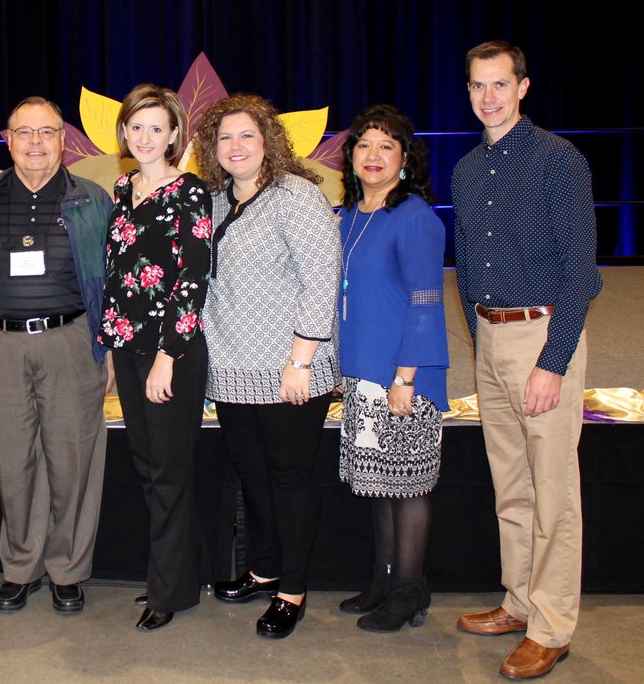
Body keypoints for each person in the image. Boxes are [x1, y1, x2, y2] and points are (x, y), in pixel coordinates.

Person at [452, 41, 602, 679]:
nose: (489, 96)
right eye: (478, 86)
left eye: (499, 84)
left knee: (553, 490)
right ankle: (518, 601)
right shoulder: (466, 169)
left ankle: (552, 624)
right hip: (490, 338)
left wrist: (554, 361)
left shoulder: (558, 160)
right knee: (510, 484)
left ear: (523, 87)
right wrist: (478, 336)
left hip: (542, 338)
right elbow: (465, 260)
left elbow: (582, 273)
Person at [193, 93, 341, 640]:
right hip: (231, 367)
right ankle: (264, 568)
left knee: (289, 477)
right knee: (252, 474)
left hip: (288, 367)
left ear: (268, 142)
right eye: (224, 137)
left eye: (246, 135)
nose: (235, 146)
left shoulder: (296, 196)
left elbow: (320, 280)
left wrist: (301, 359)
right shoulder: (212, 202)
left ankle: (292, 589)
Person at [0, 96, 113, 615]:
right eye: (24, 133)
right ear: (7, 139)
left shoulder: (92, 199)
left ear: (63, 139)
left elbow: (109, 283)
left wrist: (105, 346)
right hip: (1, 346)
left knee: (72, 461)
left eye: (46, 132)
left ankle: (67, 569)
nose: (35, 143)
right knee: (14, 463)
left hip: (70, 341)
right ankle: (20, 567)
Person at [98, 84, 211, 632]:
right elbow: (118, 275)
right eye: (136, 126)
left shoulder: (190, 191)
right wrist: (114, 348)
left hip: (173, 352)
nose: (145, 137)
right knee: (148, 468)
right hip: (128, 346)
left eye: (156, 128)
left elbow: (193, 278)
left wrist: (168, 355)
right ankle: (174, 577)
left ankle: (169, 591)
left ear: (174, 136)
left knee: (168, 471)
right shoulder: (123, 188)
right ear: (124, 132)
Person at [334, 105, 449, 632]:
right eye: (363, 145)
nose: (373, 155)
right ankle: (383, 581)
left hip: (404, 377)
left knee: (409, 487)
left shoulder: (415, 217)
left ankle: (409, 590)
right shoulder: (349, 216)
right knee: (379, 483)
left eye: (385, 145)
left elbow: (426, 303)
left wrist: (405, 377)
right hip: (363, 375)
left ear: (406, 156)